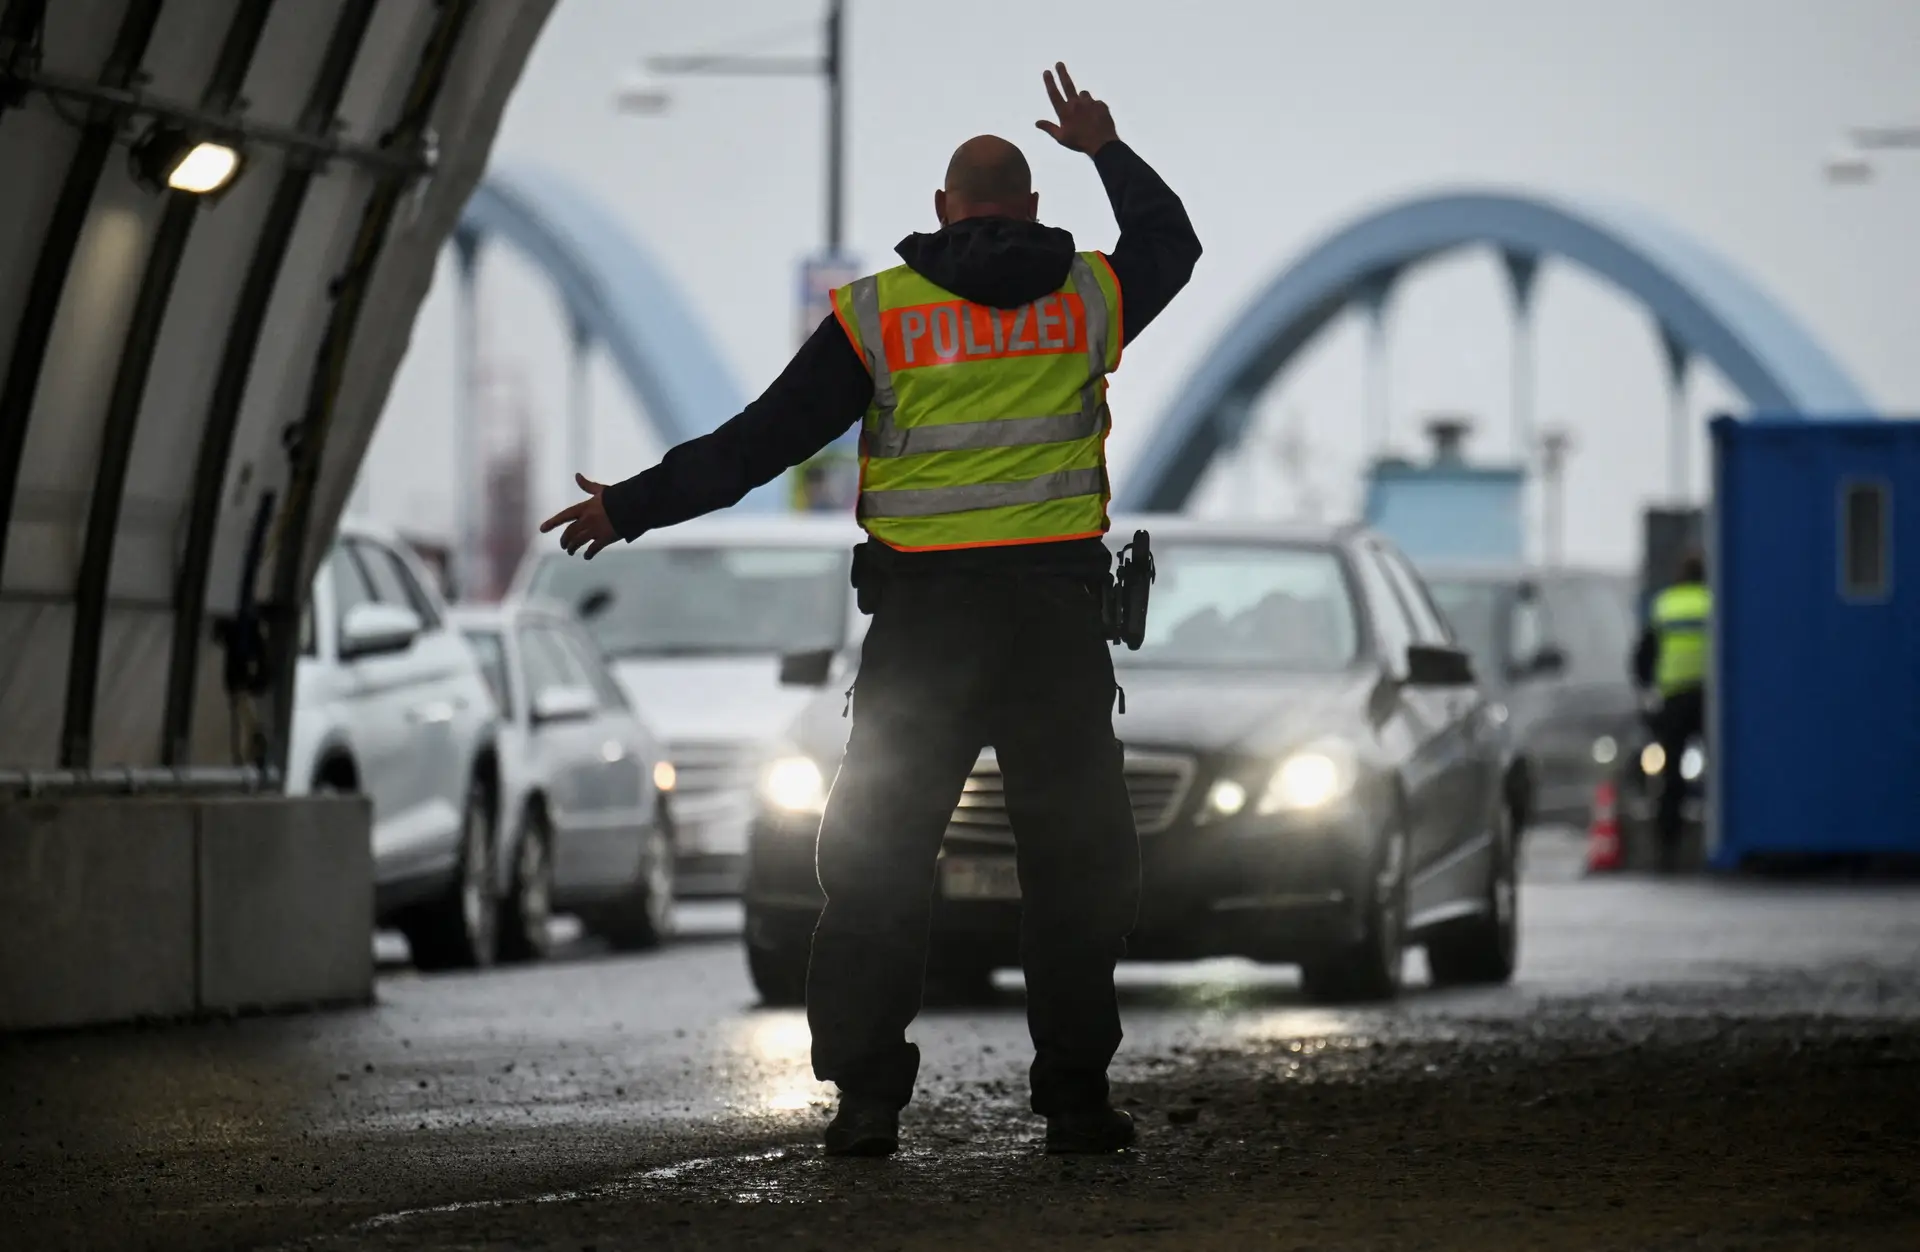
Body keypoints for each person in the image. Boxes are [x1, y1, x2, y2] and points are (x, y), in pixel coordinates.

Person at [541, 63, 1201, 1157]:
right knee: (1076, 866)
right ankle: (1077, 1098)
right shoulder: (1092, 295)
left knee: (879, 859)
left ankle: (868, 1100)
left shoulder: (880, 316)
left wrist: (631, 506)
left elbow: (762, 442)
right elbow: (1171, 243)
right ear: (1032, 208)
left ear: (942, 210)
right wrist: (1105, 148)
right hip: (1053, 631)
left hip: (923, 636)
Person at [1632, 548, 1711, 870]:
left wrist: (1647, 690)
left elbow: (1643, 656)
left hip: (1675, 698)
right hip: (1712, 698)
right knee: (1722, 772)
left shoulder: (1664, 605)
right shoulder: (1714, 603)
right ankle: (1716, 837)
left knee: (1671, 776)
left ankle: (1668, 849)